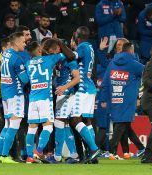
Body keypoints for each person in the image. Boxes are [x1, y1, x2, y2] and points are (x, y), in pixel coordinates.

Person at [24, 38, 76, 163]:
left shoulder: (28, 63)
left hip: (32, 99)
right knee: (48, 127)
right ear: (40, 49)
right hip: (45, 99)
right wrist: (59, 43)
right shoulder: (50, 59)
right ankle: (39, 151)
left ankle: (29, 157)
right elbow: (71, 55)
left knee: (31, 128)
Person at [100, 42, 144, 160]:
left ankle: (138, 149)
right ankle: (111, 152)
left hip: (115, 98)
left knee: (124, 125)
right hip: (128, 99)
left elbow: (105, 82)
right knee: (121, 125)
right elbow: (148, 73)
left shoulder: (112, 63)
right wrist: (141, 94)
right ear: (131, 50)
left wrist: (104, 99)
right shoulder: (134, 64)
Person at [0, 32, 29, 164]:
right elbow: (24, 79)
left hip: (6, 94)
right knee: (14, 125)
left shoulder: (6, 55)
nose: (25, 44)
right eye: (23, 42)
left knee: (7, 125)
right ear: (15, 43)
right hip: (16, 94)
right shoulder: (16, 58)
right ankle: (4, 156)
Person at [70, 26, 101, 162]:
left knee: (75, 119)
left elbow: (72, 56)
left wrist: (60, 44)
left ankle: (94, 148)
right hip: (90, 87)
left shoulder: (82, 47)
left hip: (83, 88)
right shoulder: (90, 47)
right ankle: (92, 155)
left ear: (77, 35)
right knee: (87, 121)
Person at [53, 39, 80, 163]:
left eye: (54, 48)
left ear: (60, 48)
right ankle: (74, 154)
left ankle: (57, 156)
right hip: (62, 93)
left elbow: (77, 78)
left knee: (58, 122)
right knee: (65, 124)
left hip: (66, 94)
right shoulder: (58, 60)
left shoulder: (70, 60)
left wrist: (64, 87)